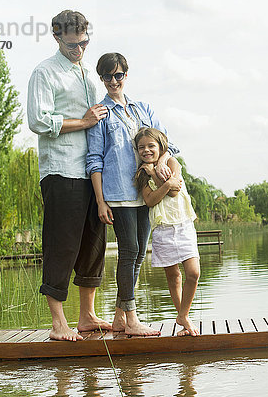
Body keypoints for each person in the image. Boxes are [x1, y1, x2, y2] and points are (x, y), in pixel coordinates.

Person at [27, 10, 111, 341]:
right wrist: (83, 122)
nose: (80, 49)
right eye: (73, 44)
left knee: (94, 240)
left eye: (85, 43)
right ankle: (59, 322)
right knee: (62, 243)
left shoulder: (89, 73)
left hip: (92, 171)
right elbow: (38, 120)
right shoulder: (44, 73)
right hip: (61, 169)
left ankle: (87, 315)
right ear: (57, 38)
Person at [86, 53, 179, 336]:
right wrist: (101, 201)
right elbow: (94, 160)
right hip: (119, 193)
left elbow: (166, 143)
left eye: (118, 75)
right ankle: (132, 319)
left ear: (126, 75)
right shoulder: (101, 113)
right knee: (130, 253)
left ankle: (118, 318)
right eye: (107, 77)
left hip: (146, 191)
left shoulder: (143, 108)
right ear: (101, 79)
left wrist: (161, 162)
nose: (113, 81)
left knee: (139, 255)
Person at [134, 128, 201, 337]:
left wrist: (156, 173)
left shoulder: (172, 163)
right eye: (141, 147)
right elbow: (150, 200)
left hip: (183, 225)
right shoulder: (141, 175)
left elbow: (174, 191)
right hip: (162, 229)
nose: (146, 150)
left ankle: (183, 314)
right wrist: (159, 179)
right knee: (174, 276)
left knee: (193, 272)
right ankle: (183, 320)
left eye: (151, 146)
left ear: (161, 147)